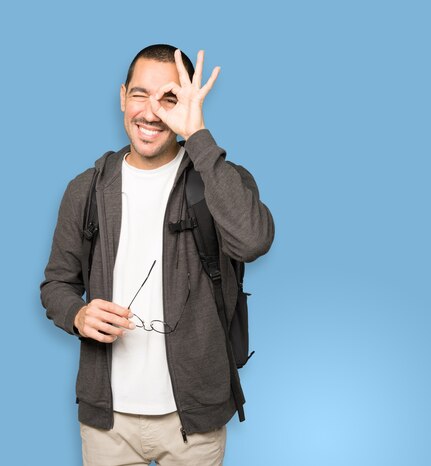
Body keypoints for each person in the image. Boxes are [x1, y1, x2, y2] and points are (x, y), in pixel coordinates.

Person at [40, 44, 274, 466]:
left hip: (194, 421)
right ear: (122, 96)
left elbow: (253, 241)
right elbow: (56, 284)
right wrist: (77, 315)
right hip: (107, 422)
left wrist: (198, 136)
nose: (151, 112)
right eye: (140, 94)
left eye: (169, 98)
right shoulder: (86, 189)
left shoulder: (220, 180)